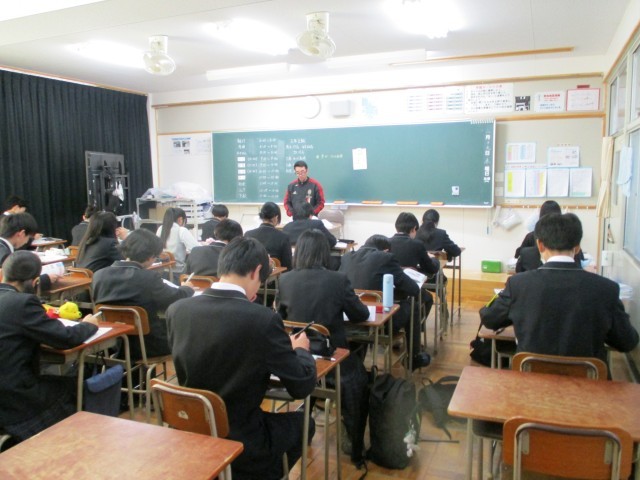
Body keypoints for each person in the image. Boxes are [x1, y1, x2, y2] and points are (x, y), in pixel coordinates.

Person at [166, 237, 317, 480]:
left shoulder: (177, 310)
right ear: (257, 271)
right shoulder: (263, 319)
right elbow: (301, 386)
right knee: (304, 423)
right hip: (242, 438)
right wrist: (300, 350)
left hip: (191, 429)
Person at [480, 213, 639, 365]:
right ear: (577, 248)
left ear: (540, 245)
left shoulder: (518, 284)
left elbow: (490, 319)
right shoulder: (607, 289)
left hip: (531, 379)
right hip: (587, 380)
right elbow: (627, 342)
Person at [278, 229, 370, 463]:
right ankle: (353, 438)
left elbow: (280, 320)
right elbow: (360, 314)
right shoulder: (337, 280)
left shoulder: (285, 279)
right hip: (332, 359)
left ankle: (306, 411)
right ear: (325, 253)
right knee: (360, 373)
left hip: (299, 357)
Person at [0, 251, 100, 441]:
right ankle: (64, 442)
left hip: (7, 388)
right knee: (73, 385)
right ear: (35, 282)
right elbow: (66, 338)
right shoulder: (22, 303)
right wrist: (89, 325)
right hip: (13, 397)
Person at [92, 229, 194, 361]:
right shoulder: (148, 277)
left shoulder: (98, 275)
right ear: (150, 256)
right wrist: (187, 288)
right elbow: (174, 298)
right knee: (188, 332)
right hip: (149, 345)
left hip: (114, 342)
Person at [339, 234, 431, 370]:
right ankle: (414, 357)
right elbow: (412, 289)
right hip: (380, 324)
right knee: (412, 306)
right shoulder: (386, 258)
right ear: (386, 250)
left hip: (350, 321)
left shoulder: (346, 257)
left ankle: (356, 363)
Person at [389, 212, 438, 321]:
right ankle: (417, 325)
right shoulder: (417, 244)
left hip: (389, 290)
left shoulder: (386, 243)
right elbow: (431, 268)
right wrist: (434, 259)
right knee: (428, 298)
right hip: (408, 289)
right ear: (414, 228)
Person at [514, 201, 584, 273]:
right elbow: (580, 260)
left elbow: (518, 255)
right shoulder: (569, 235)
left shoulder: (531, 236)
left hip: (533, 274)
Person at [0, 213, 56, 290]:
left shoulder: (3, 248)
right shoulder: (4, 255)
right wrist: (45, 279)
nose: (27, 242)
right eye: (29, 237)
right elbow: (14, 283)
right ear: (22, 234)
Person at [244, 202, 292, 270]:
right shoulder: (284, 237)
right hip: (276, 275)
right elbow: (287, 266)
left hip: (252, 274)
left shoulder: (248, 234)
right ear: (276, 217)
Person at [157, 207, 201, 273]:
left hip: (162, 270)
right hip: (178, 271)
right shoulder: (181, 230)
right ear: (180, 220)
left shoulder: (160, 229)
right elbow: (197, 249)